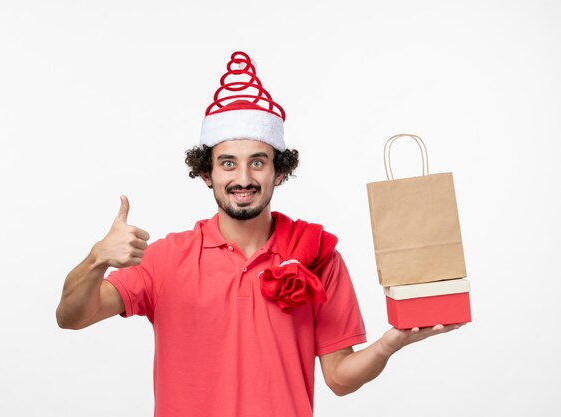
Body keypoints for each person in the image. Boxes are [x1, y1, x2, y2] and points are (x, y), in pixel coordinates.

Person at [56, 51, 462, 416]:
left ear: (279, 170)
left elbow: (339, 378)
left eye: (258, 162)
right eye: (228, 164)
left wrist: (391, 342)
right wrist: (97, 259)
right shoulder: (166, 258)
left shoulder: (318, 255)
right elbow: (72, 317)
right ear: (206, 174)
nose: (244, 178)